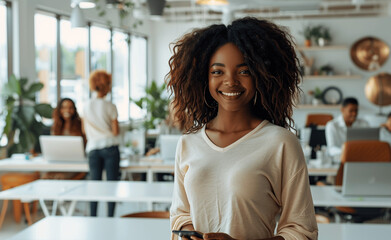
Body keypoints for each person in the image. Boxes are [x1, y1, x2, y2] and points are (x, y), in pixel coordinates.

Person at [168, 17, 318, 240]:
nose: (231, 81)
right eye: (218, 72)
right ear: (203, 77)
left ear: (260, 75)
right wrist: (190, 233)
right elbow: (180, 214)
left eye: (244, 71)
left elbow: (301, 231)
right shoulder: (188, 144)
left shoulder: (280, 143)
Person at [82, 70, 120, 217]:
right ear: (105, 85)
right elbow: (115, 131)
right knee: (111, 186)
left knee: (94, 186)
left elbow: (84, 131)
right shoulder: (110, 106)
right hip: (110, 146)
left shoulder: (86, 105)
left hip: (93, 148)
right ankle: (110, 217)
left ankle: (93, 217)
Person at [42, 98, 86, 180]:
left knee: (60, 177)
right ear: (60, 110)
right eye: (64, 108)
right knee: (45, 177)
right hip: (58, 163)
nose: (67, 110)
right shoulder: (56, 127)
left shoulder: (80, 125)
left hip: (76, 164)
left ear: (74, 110)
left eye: (70, 108)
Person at [325, 97, 369, 162]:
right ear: (342, 110)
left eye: (356, 111)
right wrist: (347, 152)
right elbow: (331, 149)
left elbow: (368, 145)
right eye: (351, 111)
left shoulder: (364, 124)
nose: (354, 114)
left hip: (360, 160)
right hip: (339, 160)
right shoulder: (332, 125)